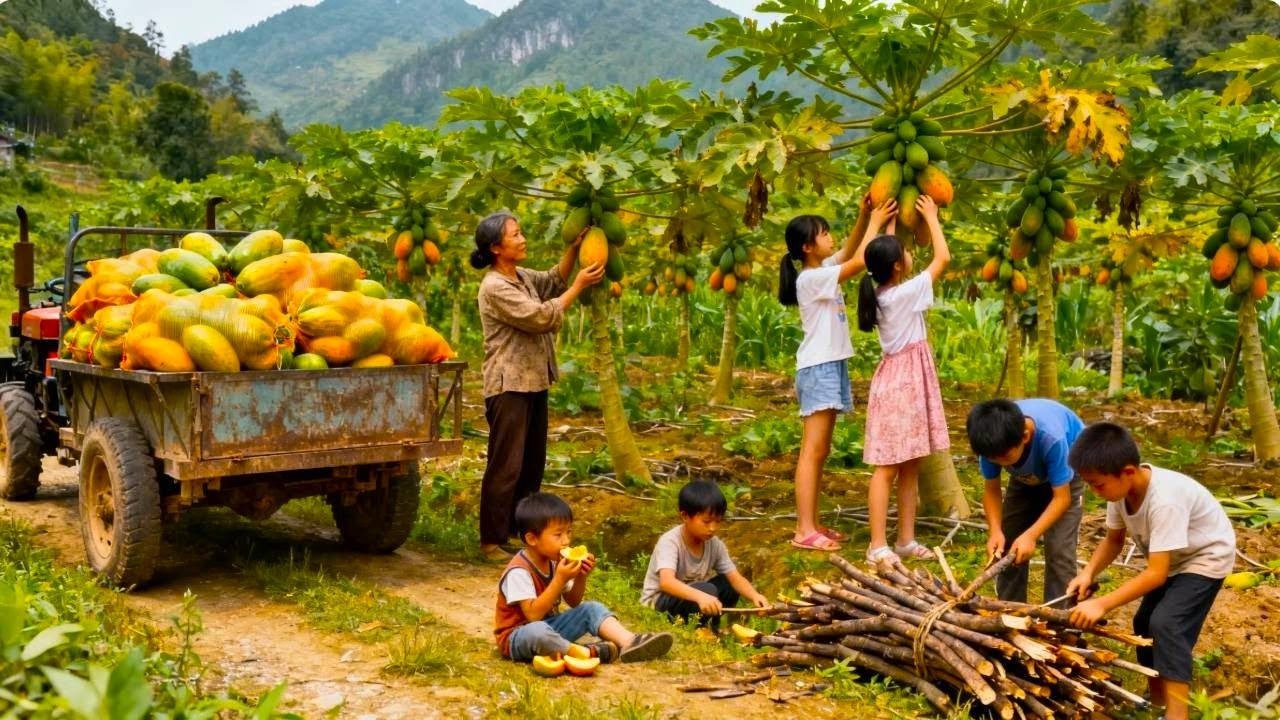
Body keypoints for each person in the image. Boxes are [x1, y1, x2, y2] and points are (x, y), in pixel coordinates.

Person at [1064, 422, 1235, 720]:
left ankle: (1177, 715)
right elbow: (1113, 540)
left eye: (1098, 484)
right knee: (1144, 621)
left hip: (1206, 557)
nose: (1094, 491)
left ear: (1128, 471)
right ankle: (1156, 701)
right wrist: (1087, 573)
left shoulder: (1165, 500)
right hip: (1174, 559)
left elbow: (1156, 574)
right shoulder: (1119, 492)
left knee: (1167, 624)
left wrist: (1101, 603)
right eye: (1090, 484)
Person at [472, 212, 604, 561]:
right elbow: (540, 317)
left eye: (521, 233)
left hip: (534, 380)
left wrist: (574, 251)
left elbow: (552, 281)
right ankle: (491, 541)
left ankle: (521, 534)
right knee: (506, 466)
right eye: (515, 235)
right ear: (497, 248)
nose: (522, 239)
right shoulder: (495, 286)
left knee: (531, 464)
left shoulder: (520, 276)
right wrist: (580, 286)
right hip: (509, 384)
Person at [778, 195, 896, 551]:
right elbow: (860, 260)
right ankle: (804, 530)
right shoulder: (810, 280)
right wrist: (876, 220)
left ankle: (812, 522)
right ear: (807, 246)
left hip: (830, 365)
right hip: (818, 368)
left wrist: (863, 215)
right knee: (812, 451)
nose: (831, 238)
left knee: (821, 449)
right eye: (824, 234)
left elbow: (847, 251)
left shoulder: (821, 269)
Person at [857, 195, 951, 564]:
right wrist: (932, 217)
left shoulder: (884, 291)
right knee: (887, 468)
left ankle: (905, 540)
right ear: (898, 266)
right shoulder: (904, 293)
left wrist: (891, 226)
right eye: (904, 254)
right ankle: (877, 545)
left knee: (909, 463)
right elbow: (942, 259)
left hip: (902, 381)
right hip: (904, 384)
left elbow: (888, 257)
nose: (911, 256)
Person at [494, 493, 674, 664]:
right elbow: (533, 616)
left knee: (591, 608)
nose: (566, 541)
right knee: (538, 631)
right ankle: (587, 652)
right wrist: (559, 579)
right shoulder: (519, 571)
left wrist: (581, 577)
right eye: (558, 535)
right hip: (518, 637)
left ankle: (630, 642)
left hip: (549, 628)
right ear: (532, 539)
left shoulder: (555, 562)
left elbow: (573, 601)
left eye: (569, 532)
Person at [966, 398, 1085, 605]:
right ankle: (1010, 609)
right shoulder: (993, 444)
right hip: (1025, 478)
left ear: (1025, 437)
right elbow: (991, 489)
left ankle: (1059, 619)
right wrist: (995, 530)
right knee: (1008, 544)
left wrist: (1031, 535)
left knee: (1059, 549)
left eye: (1003, 457)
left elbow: (1062, 498)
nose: (998, 462)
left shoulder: (1052, 439)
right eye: (993, 458)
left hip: (1068, 475)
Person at [640, 480, 770, 628]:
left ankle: (709, 625)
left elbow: (735, 578)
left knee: (728, 585)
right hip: (661, 603)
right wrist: (701, 596)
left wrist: (755, 596)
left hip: (694, 597)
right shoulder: (670, 542)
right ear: (685, 516)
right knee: (707, 590)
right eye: (706, 522)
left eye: (718, 522)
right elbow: (667, 583)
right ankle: (697, 627)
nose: (713, 528)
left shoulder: (715, 544)